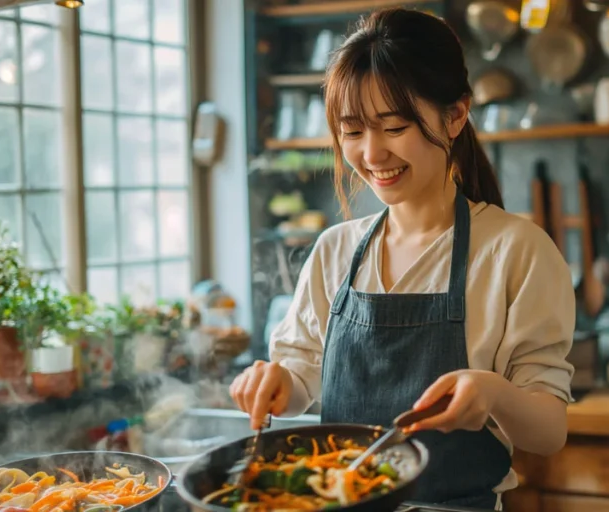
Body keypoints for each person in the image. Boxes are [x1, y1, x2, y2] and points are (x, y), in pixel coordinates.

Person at [230, 7, 575, 510]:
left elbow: (549, 431)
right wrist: (275, 381)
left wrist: (495, 394)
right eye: (352, 131)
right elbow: (300, 373)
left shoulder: (515, 251)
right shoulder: (335, 251)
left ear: (455, 116)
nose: (371, 154)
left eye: (393, 128)